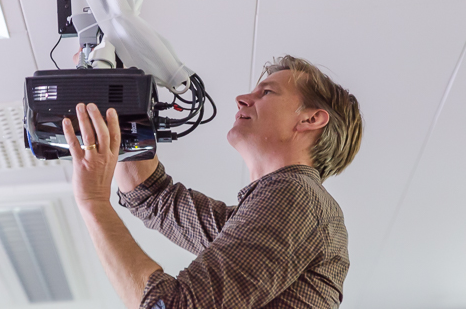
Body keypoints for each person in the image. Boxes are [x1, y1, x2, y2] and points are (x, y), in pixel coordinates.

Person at [62, 55, 363, 308]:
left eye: (267, 93)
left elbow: (172, 305)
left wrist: (93, 202)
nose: (243, 99)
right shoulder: (278, 209)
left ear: (311, 119)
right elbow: (151, 197)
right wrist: (118, 101)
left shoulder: (296, 199)